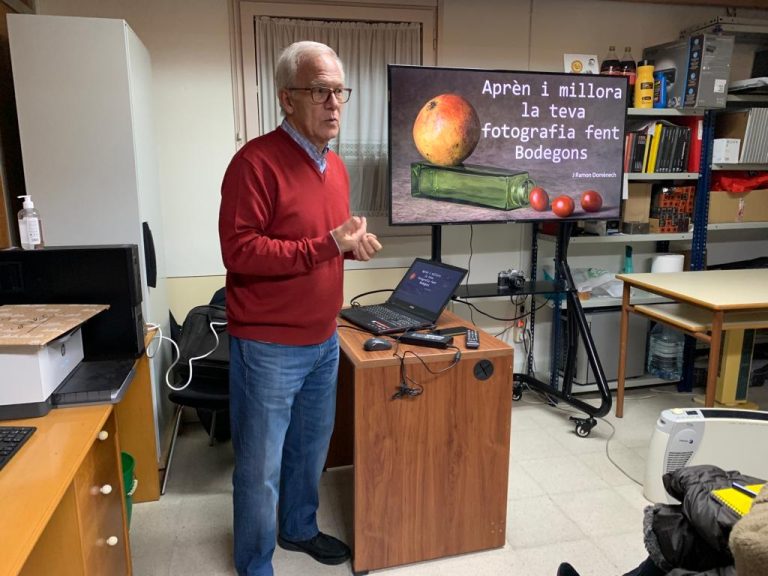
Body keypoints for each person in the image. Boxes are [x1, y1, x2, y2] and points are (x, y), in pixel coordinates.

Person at [218, 40, 382, 576]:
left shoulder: (334, 166)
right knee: (260, 467)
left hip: (322, 339)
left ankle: (298, 527)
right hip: (266, 345)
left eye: (340, 91)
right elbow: (240, 251)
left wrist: (348, 243)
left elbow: (322, 240)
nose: (334, 103)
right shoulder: (254, 163)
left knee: (310, 450)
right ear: (289, 99)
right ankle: (254, 563)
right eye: (320, 91)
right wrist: (327, 246)